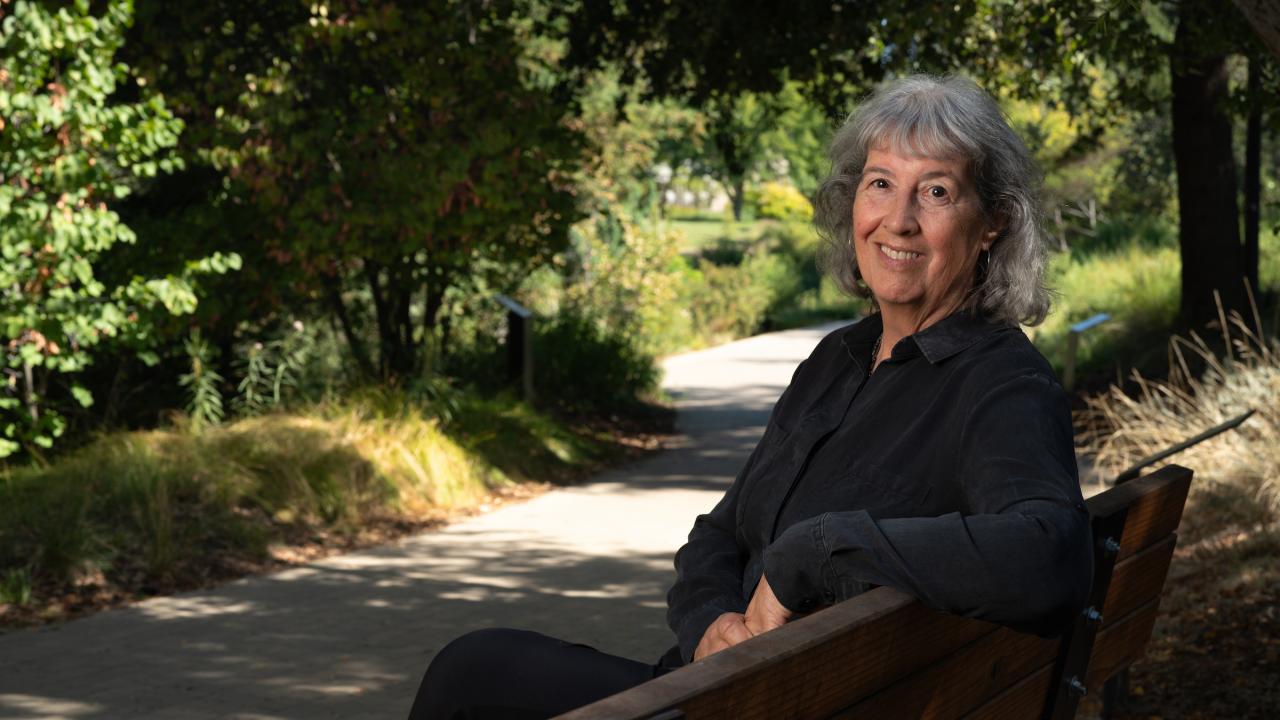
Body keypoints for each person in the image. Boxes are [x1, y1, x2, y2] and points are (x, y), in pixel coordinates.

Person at [407, 74, 1093, 720]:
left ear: (994, 222)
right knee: (477, 666)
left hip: (781, 705)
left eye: (937, 192)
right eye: (881, 184)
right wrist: (711, 626)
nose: (900, 220)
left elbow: (1049, 555)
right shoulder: (841, 356)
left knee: (471, 681)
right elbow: (720, 535)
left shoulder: (1001, 384)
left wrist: (815, 553)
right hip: (719, 685)